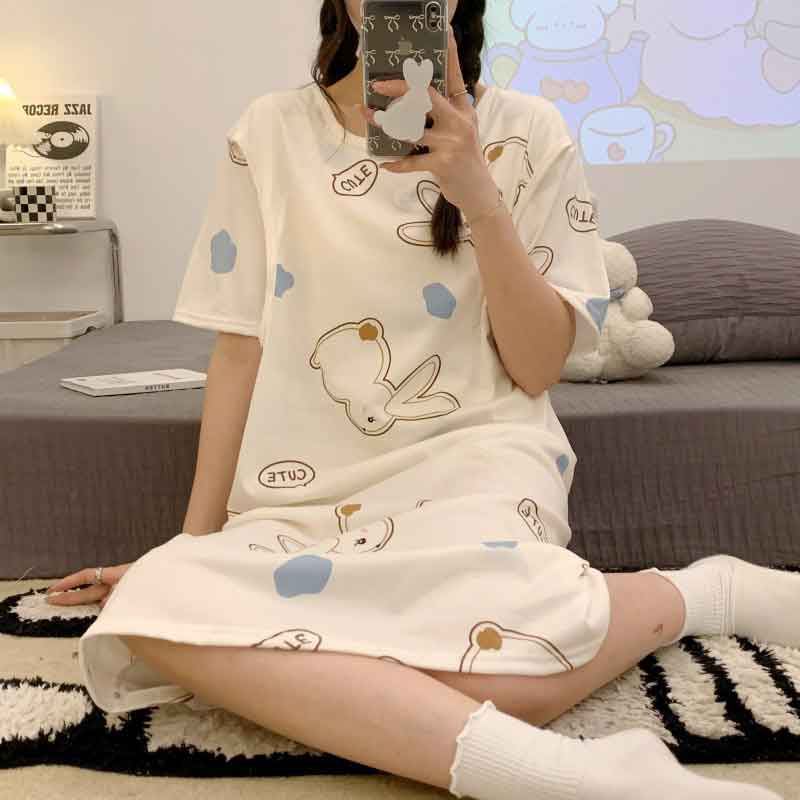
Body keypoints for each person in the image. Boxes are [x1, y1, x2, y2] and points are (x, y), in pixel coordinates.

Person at [44, 2, 793, 799]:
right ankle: (579, 775)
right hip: (306, 489)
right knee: (151, 604)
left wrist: (478, 194)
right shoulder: (269, 130)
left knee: (506, 669)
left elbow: (537, 367)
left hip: (477, 460)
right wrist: (192, 545)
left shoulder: (531, 130)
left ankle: (696, 597)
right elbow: (240, 350)